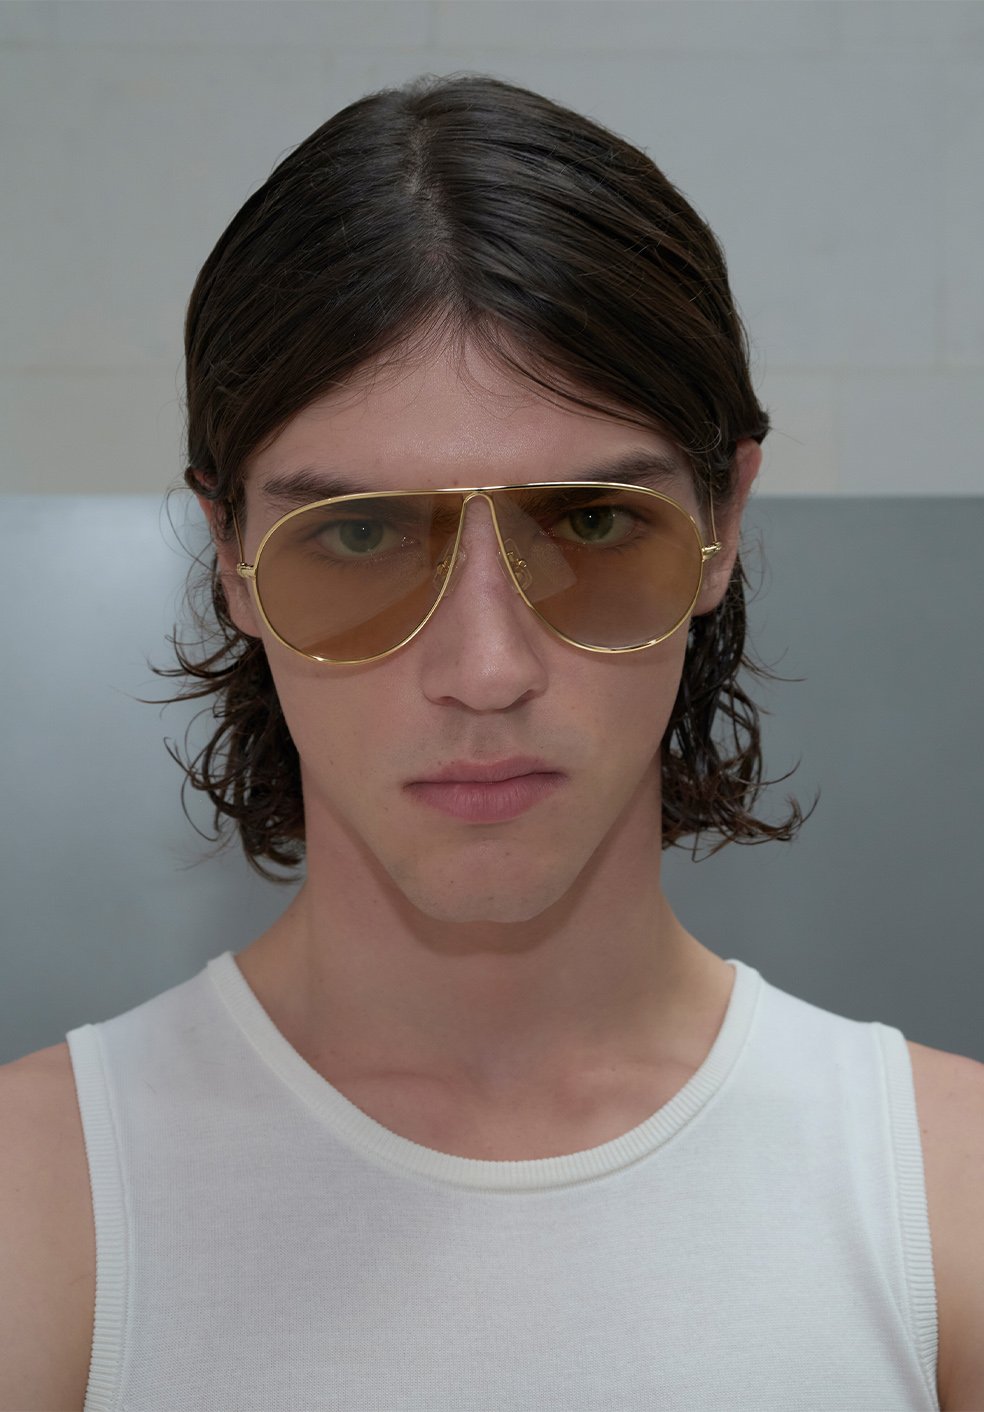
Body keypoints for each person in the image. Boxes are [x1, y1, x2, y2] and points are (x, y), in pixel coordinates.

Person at [1, 73, 981, 1412]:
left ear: (724, 524)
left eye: (590, 523)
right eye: (357, 534)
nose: (484, 672)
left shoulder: (945, 1196)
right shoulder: (37, 1207)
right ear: (230, 555)